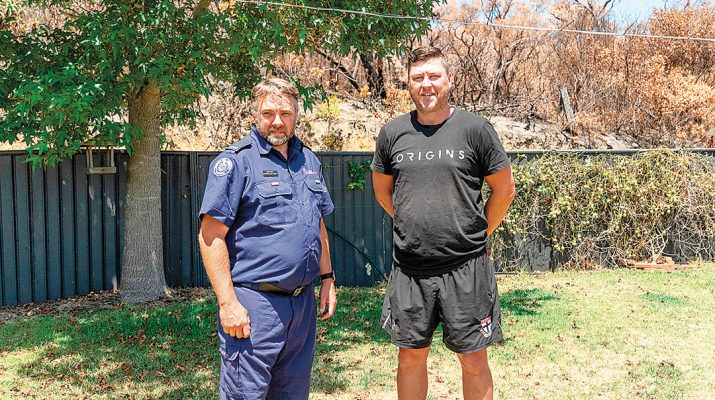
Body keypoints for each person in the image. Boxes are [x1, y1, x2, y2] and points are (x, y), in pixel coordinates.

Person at [371, 46, 516, 400]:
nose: (426, 84)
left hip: (466, 268)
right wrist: (413, 226)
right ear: (407, 84)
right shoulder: (393, 133)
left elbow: (504, 190)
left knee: (472, 359)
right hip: (410, 269)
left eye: (434, 76)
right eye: (418, 77)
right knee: (410, 357)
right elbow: (382, 194)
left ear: (449, 80)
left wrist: (476, 233)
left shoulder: (475, 130)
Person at [198, 78, 337, 400]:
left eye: (285, 113)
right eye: (268, 113)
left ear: (296, 114)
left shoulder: (309, 162)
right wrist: (228, 303)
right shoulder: (235, 162)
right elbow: (210, 236)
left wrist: (327, 278)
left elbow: (316, 223)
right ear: (255, 115)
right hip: (255, 305)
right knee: (245, 394)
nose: (277, 121)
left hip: (301, 305)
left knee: (292, 393)